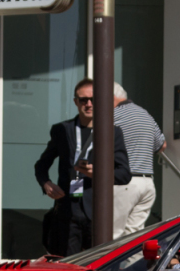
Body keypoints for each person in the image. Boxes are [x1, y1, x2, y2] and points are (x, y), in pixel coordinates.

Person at [35, 78, 132, 256]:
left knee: (97, 262)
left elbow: (124, 174)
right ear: (75, 102)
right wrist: (46, 184)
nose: (88, 104)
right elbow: (41, 165)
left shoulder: (112, 132)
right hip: (67, 209)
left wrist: (99, 174)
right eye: (83, 100)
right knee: (67, 264)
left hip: (97, 210)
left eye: (93, 100)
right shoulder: (62, 129)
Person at [111, 82, 166, 238]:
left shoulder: (111, 116)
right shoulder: (144, 113)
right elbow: (162, 145)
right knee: (133, 237)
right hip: (147, 183)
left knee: (112, 235)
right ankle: (131, 263)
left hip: (124, 182)